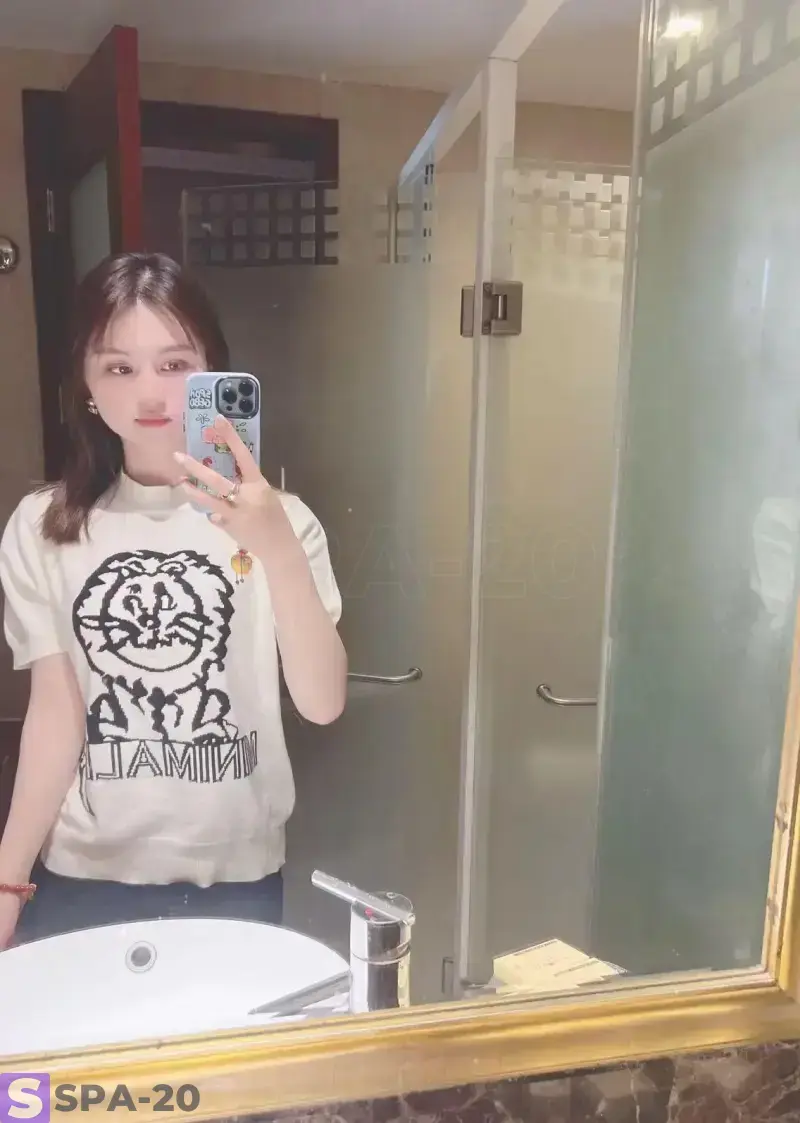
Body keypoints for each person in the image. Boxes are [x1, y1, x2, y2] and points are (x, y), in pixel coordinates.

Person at [0, 251, 347, 948]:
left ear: (211, 371)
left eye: (175, 363)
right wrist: (8, 880)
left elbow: (321, 702)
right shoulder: (44, 526)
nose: (151, 393)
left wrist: (277, 548)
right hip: (83, 878)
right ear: (87, 386)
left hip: (237, 880)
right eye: (118, 368)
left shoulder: (284, 522)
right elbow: (56, 715)